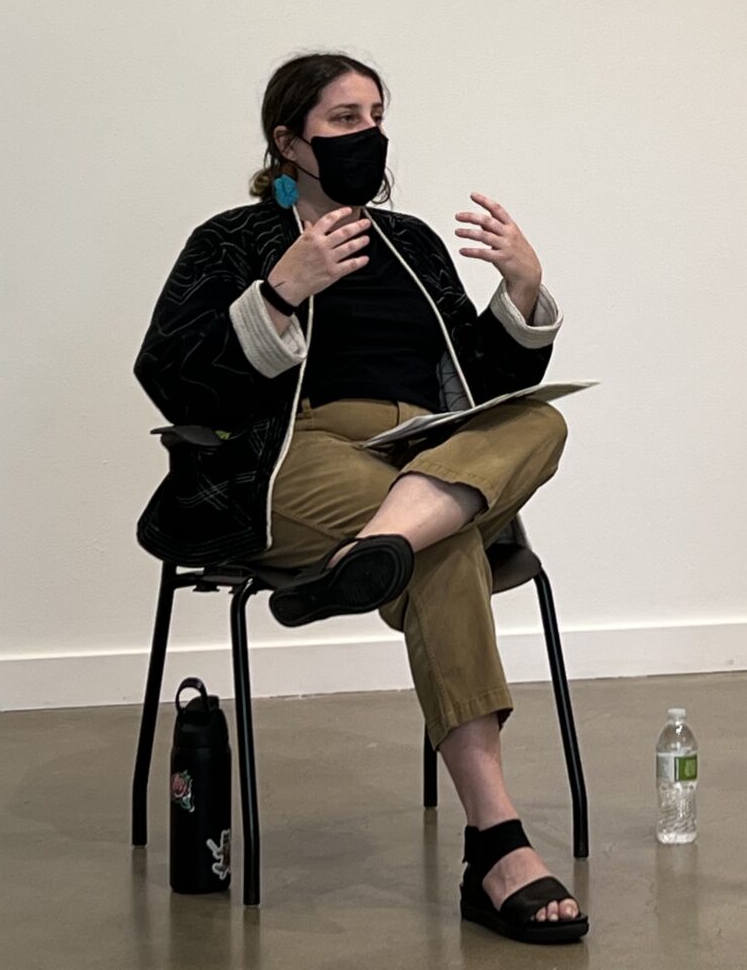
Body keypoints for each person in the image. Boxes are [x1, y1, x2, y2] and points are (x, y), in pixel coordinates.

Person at [134, 51, 587, 945]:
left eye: (375, 115)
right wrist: (279, 291)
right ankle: (499, 847)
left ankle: (363, 559)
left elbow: (486, 380)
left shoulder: (410, 240)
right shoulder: (233, 239)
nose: (367, 134)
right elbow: (171, 378)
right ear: (286, 140)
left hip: (422, 451)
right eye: (343, 119)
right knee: (445, 546)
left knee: (542, 424)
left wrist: (523, 289)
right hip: (296, 456)